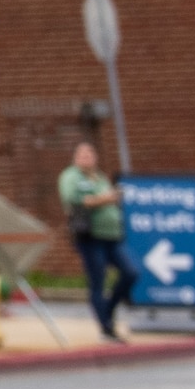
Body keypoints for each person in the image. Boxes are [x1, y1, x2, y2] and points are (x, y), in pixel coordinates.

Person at [59, 138, 129, 337]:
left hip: (113, 236)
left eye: (89, 154)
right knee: (98, 279)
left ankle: (107, 310)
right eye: (82, 155)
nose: (86, 158)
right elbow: (73, 201)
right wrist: (106, 199)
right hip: (90, 236)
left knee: (131, 272)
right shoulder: (71, 177)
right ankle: (106, 327)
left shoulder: (100, 177)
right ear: (75, 158)